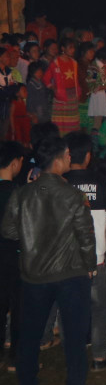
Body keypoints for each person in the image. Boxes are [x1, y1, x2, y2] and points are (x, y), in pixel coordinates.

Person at [2, 137, 104, 385]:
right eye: (68, 155)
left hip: (34, 274)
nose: (70, 158)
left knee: (30, 331)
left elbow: (9, 230)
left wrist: (31, 235)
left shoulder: (22, 194)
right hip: (70, 274)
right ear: (58, 160)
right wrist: (90, 265)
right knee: (74, 333)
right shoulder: (72, 195)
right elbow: (85, 234)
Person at [63, 132, 106, 372]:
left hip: (66, 258)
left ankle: (73, 358)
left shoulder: (61, 181)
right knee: (99, 309)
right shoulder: (99, 182)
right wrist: (101, 216)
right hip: (95, 257)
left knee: (70, 309)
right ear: (88, 156)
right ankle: (99, 357)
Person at [0, 141, 25, 370]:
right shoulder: (16, 193)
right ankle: (16, 357)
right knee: (18, 308)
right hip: (13, 258)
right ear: (16, 163)